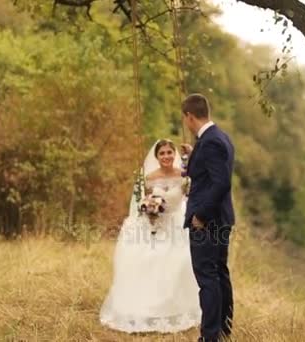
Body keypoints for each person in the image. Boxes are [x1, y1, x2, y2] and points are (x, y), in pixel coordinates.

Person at [99, 139, 201, 333]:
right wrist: (149, 210)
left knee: (179, 263)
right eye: (162, 153)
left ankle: (175, 310)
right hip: (153, 226)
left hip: (177, 225)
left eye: (169, 152)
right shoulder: (149, 178)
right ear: (156, 157)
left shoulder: (185, 177)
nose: (166, 157)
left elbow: (191, 198)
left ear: (175, 154)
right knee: (147, 262)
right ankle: (146, 311)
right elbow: (140, 202)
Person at [180, 94, 235, 342]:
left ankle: (210, 337)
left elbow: (220, 183)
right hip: (221, 219)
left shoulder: (211, 142)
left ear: (190, 116)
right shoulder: (219, 137)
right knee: (219, 273)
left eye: (185, 119)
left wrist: (200, 215)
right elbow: (211, 173)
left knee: (207, 277)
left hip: (209, 221)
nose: (186, 123)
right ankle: (223, 330)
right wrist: (194, 154)